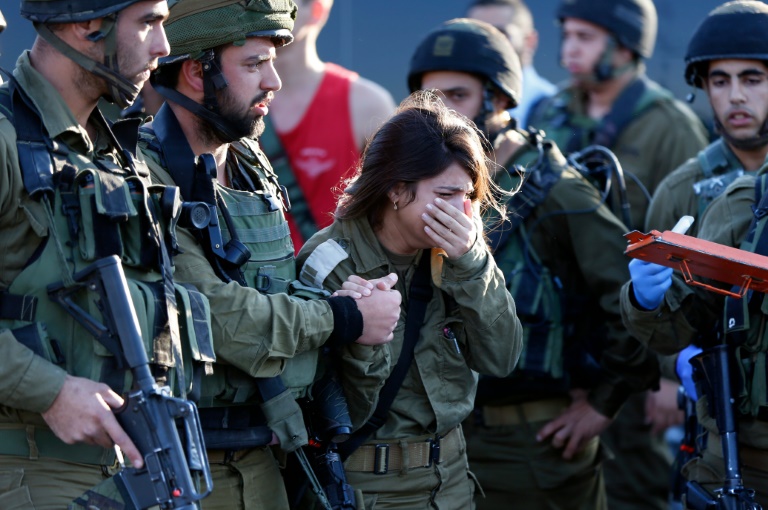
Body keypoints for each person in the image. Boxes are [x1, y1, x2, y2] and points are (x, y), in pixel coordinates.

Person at [139, 0, 401, 508]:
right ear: (197, 72)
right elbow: (222, 315)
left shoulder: (249, 160)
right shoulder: (145, 175)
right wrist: (343, 315)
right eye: (255, 64)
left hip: (267, 457)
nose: (273, 82)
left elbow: (278, 281)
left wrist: (346, 294)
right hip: (186, 463)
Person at [407, 18, 660, 509]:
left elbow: (635, 299)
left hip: (533, 445)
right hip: (449, 441)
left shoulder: (556, 189)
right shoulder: (435, 186)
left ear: (499, 100)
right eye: (427, 99)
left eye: (456, 96)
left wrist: (604, 404)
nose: (439, 113)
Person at [0, 0, 209, 507]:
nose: (163, 49)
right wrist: (48, 390)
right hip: (30, 471)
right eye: (149, 24)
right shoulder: (7, 139)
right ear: (88, 24)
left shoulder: (109, 148)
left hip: (130, 469)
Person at [295, 90, 523, 509]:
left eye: (467, 196)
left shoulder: (461, 249)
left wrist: (473, 266)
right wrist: (361, 334)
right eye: (445, 196)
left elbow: (502, 358)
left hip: (450, 477)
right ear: (397, 191)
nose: (461, 213)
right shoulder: (331, 262)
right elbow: (336, 411)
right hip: (369, 485)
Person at [529, 2, 710, 508]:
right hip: (565, 338)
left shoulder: (669, 125)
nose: (569, 50)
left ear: (626, 46)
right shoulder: (551, 113)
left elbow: (693, 247)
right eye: (566, 35)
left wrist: (672, 373)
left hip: (638, 343)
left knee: (633, 484)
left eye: (585, 37)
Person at [623, 1, 768, 506]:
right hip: (724, 417)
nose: (735, 96)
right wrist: (672, 351)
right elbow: (666, 324)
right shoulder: (685, 189)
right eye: (720, 80)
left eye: (752, 79)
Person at [263, 0, 396, 253]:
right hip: (251, 281)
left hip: (334, 280)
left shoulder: (367, 104)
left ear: (315, 10)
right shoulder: (226, 97)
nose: (268, 8)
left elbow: (394, 213)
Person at [466, 0, 556, 130]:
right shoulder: (449, 101)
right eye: (476, 34)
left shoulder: (556, 108)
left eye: (501, 34)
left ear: (530, 41)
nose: (487, 45)